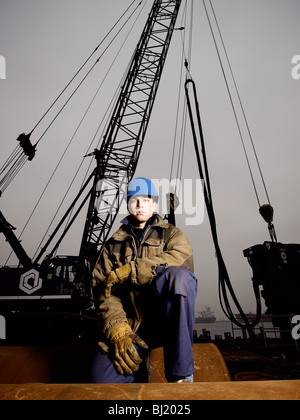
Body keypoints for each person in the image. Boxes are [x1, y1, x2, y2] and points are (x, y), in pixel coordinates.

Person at [91, 177, 198, 383]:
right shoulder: (112, 245)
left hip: (165, 321)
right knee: (101, 381)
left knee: (179, 277)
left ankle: (181, 375)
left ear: (154, 204)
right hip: (132, 325)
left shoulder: (171, 234)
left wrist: (132, 270)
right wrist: (118, 328)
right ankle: (137, 373)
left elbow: (183, 260)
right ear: (128, 204)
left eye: (146, 200)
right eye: (134, 200)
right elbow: (104, 292)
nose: (140, 205)